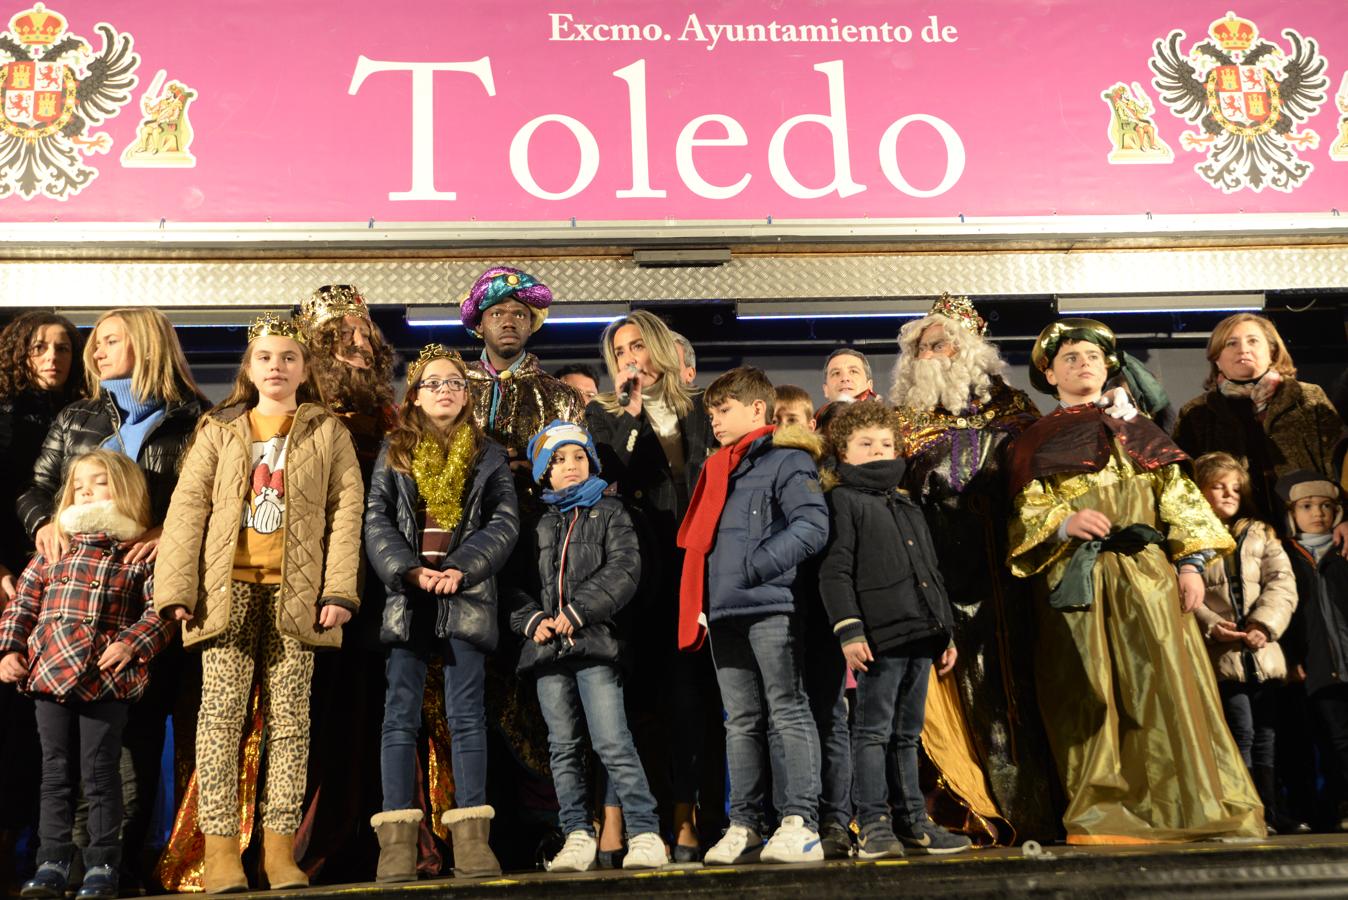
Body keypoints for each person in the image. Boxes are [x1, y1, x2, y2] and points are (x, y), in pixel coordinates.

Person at [1006, 318, 1263, 843]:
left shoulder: (1140, 429)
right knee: (1089, 690)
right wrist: (1063, 522)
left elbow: (1180, 499)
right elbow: (1024, 512)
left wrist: (1190, 566)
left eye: (1093, 358)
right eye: (1070, 358)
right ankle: (1106, 809)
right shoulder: (1036, 439)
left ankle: (1186, 805)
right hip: (1079, 578)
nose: (1083, 365)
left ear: (1108, 368)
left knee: (1167, 688)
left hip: (1149, 577)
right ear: (1050, 374)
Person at [154, 313, 364, 892]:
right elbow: (186, 509)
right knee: (219, 720)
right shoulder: (218, 429)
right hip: (225, 593)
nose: (278, 367)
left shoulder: (327, 431)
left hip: (295, 595)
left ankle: (278, 851)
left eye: (289, 358)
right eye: (266, 357)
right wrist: (176, 590)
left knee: (292, 723)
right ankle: (221, 852)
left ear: (305, 369)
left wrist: (340, 591)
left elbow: (347, 515)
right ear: (249, 367)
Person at [18, 307, 204, 891]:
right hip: (71, 614)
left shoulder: (194, 420)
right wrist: (43, 523)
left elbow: (208, 502)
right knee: (64, 758)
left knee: (135, 744)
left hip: (140, 602)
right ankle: (63, 863)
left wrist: (163, 532)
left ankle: (114, 864)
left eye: (109, 342)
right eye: (94, 344)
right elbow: (37, 488)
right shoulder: (79, 415)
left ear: (146, 344)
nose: (95, 353)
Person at [888, 294, 1058, 845]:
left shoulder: (1015, 409)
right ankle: (960, 811)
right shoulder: (900, 421)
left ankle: (1030, 812)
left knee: (1013, 690)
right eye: (921, 347)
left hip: (1003, 575)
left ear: (970, 348)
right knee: (941, 694)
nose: (930, 354)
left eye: (940, 343)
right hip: (931, 570)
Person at [363, 345, 519, 881]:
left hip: (465, 595)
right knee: (399, 717)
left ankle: (473, 840)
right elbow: (376, 521)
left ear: (467, 393)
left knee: (467, 716)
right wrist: (408, 570)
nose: (445, 390)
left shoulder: (488, 453)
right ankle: (397, 846)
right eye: (433, 384)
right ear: (416, 395)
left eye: (454, 382)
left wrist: (461, 569)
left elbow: (503, 523)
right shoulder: (394, 450)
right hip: (409, 596)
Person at [0, 451, 172, 900]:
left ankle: (102, 863)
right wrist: (10, 649)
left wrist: (132, 643)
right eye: (79, 486)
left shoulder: (135, 555)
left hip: (105, 676)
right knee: (54, 772)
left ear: (126, 490)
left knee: (100, 773)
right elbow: (23, 603)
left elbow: (160, 613)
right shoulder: (55, 549)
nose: (88, 492)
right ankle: (52, 860)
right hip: (50, 672)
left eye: (100, 483)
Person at [678, 366, 829, 865]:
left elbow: (811, 527)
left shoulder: (787, 461)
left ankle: (800, 821)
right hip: (723, 611)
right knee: (740, 720)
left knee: (787, 708)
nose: (715, 422)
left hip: (771, 605)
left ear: (758, 409)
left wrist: (755, 567)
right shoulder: (720, 466)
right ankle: (745, 823)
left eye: (724, 411)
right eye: (713, 413)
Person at [586, 310, 717, 861]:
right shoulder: (604, 412)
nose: (630, 357)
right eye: (620, 352)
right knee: (630, 702)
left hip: (694, 568)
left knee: (688, 701)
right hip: (636, 569)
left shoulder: (703, 409)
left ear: (661, 348)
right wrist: (634, 414)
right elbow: (618, 473)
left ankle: (687, 820)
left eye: (638, 345)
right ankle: (614, 821)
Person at [511, 421, 667, 873]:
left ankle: (645, 832)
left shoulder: (611, 512)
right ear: (543, 471)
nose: (571, 466)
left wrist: (579, 611)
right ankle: (577, 833)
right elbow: (515, 587)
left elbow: (624, 569)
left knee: (612, 740)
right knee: (562, 745)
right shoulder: (534, 522)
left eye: (578, 456)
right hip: (547, 652)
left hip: (596, 644)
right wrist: (532, 621)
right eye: (559, 460)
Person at [818, 401, 970, 858]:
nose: (879, 450)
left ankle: (913, 822)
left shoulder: (906, 503)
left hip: (921, 634)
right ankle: (873, 822)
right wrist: (849, 630)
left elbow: (931, 570)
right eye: (866, 444)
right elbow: (835, 571)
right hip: (879, 638)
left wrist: (945, 631)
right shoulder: (842, 501)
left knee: (907, 734)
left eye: (886, 443)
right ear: (843, 453)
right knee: (872, 731)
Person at [291, 284, 400, 883]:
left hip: (383, 583)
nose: (357, 345)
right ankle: (314, 840)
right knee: (317, 712)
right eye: (340, 336)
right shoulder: (302, 416)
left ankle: (380, 836)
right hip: (316, 582)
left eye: (364, 334)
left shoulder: (393, 416)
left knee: (378, 708)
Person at [0, 311, 85, 892]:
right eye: (38, 348)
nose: (51, 357)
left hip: (61, 586)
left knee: (44, 733)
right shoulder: (3, 416)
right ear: (18, 354)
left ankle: (45, 854)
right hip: (8, 580)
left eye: (62, 348)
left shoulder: (81, 416)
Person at [1193, 452, 1298, 833]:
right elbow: (1186, 592)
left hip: (1261, 651)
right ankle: (1246, 812)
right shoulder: (1190, 536)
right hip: (1222, 655)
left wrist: (1263, 626)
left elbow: (1282, 582)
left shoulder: (1260, 532)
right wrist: (1214, 625)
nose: (1228, 494)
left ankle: (1270, 810)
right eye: (1218, 486)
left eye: (1235, 487)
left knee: (1267, 734)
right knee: (1242, 731)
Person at [1174, 313, 1347, 540]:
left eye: (1253, 341)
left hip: (1312, 530)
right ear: (1216, 358)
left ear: (1272, 352)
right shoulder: (1196, 413)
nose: (1243, 349)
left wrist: (1344, 516)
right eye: (1231, 343)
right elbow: (1182, 484)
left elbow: (1340, 461)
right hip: (1237, 535)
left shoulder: (1308, 397)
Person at [769, 385, 852, 857]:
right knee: (782, 719)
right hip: (778, 609)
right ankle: (789, 817)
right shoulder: (758, 471)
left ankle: (836, 820)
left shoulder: (830, 478)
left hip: (823, 611)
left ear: (813, 424)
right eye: (778, 419)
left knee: (830, 717)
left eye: (796, 418)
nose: (787, 428)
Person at [1278, 471, 1348, 831]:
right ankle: (1334, 807)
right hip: (1316, 662)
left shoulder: (1343, 549)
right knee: (1332, 737)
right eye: (1306, 506)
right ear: (1293, 512)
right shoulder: (1288, 554)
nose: (1317, 513)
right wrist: (1290, 658)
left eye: (1325, 505)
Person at [816, 348, 880, 430]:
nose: (845, 378)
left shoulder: (891, 428)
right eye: (836, 373)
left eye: (853, 371)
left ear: (869, 386)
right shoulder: (812, 431)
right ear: (826, 390)